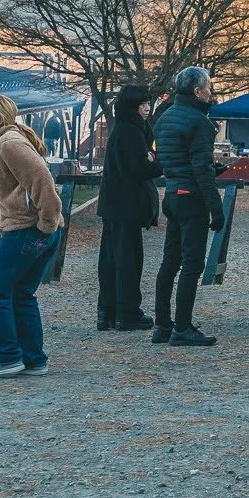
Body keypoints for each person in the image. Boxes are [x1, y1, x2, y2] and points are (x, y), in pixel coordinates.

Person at [0, 94, 62, 379]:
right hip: (34, 230)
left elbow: (42, 181)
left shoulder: (9, 143)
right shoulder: (8, 141)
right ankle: (33, 359)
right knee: (21, 294)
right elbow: (15, 181)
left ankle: (7, 357)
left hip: (27, 230)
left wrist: (47, 224)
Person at [152, 66, 222, 347]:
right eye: (208, 88)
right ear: (197, 91)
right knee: (192, 264)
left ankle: (162, 324)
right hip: (191, 197)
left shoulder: (165, 118)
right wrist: (216, 208)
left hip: (172, 193)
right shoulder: (199, 123)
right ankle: (182, 327)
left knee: (170, 261)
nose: (210, 93)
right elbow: (201, 169)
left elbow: (174, 159)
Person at [96, 84, 160, 332]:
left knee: (111, 259)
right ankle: (127, 312)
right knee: (128, 261)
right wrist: (159, 164)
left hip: (114, 205)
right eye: (142, 104)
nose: (147, 108)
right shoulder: (132, 131)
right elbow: (138, 169)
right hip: (127, 205)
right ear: (133, 106)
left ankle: (107, 311)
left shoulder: (122, 128)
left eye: (148, 103)